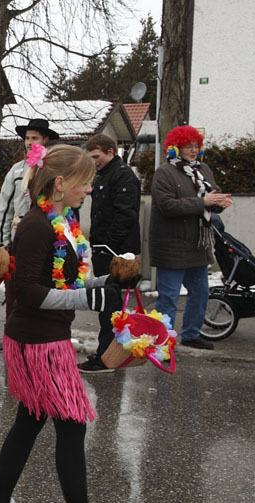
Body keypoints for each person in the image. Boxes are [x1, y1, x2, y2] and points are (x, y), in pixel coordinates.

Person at [0, 143, 137, 503]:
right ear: (61, 183)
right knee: (71, 423)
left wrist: (107, 285)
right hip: (37, 341)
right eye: (85, 182)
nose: (90, 190)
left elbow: (67, 283)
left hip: (47, 336)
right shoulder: (35, 226)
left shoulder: (61, 221)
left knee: (30, 421)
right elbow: (29, 291)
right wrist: (90, 299)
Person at [150, 125, 232, 351]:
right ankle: (162, 342)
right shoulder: (164, 172)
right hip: (171, 246)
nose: (194, 150)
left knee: (201, 293)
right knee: (169, 298)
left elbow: (211, 195)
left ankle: (191, 334)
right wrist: (202, 203)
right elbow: (167, 206)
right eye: (188, 146)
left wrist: (219, 202)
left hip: (198, 245)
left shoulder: (203, 169)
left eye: (196, 146)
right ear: (176, 148)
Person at [79, 134, 143, 372]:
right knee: (109, 306)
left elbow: (125, 215)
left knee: (111, 307)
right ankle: (109, 353)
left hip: (115, 253)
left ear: (110, 152)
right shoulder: (105, 174)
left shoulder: (122, 175)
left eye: (97, 156)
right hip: (105, 250)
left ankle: (106, 357)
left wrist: (109, 246)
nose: (94, 161)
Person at [0, 119, 58, 351]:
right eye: (27, 138)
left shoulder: (54, 168)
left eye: (35, 138)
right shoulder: (17, 170)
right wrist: (3, 243)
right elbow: (5, 207)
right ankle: (11, 335)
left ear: (45, 140)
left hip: (48, 238)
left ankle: (40, 336)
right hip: (19, 238)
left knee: (43, 287)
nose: (30, 142)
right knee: (15, 290)